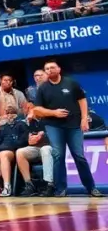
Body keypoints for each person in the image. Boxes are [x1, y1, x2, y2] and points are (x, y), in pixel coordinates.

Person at [32, 60, 101, 197]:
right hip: (53, 126)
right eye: (47, 68)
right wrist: (54, 113)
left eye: (52, 67)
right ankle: (60, 189)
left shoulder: (71, 83)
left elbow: (82, 100)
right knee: (58, 155)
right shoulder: (43, 88)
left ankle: (91, 188)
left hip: (74, 125)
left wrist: (84, 119)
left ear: (59, 69)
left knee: (79, 156)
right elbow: (37, 110)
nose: (49, 70)